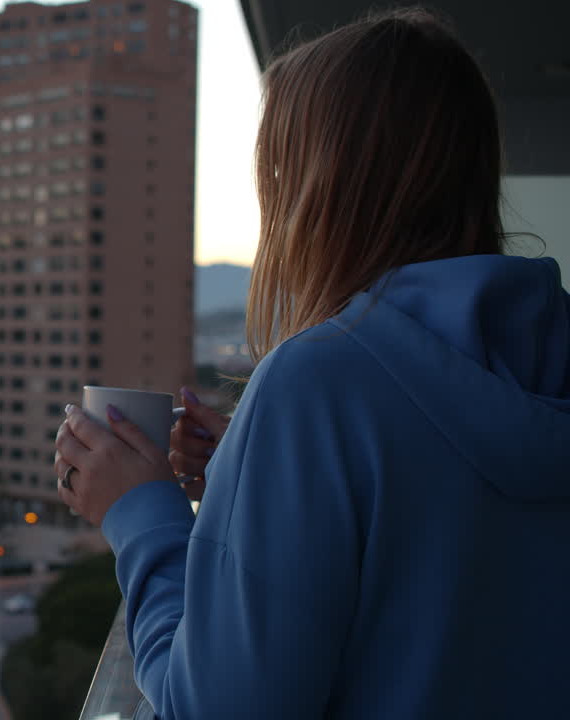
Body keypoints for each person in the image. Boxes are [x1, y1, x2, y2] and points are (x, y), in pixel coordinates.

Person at [52, 8, 570, 718]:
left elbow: (212, 708)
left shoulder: (318, 384)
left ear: (314, 190)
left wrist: (138, 511)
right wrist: (260, 474)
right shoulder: (548, 357)